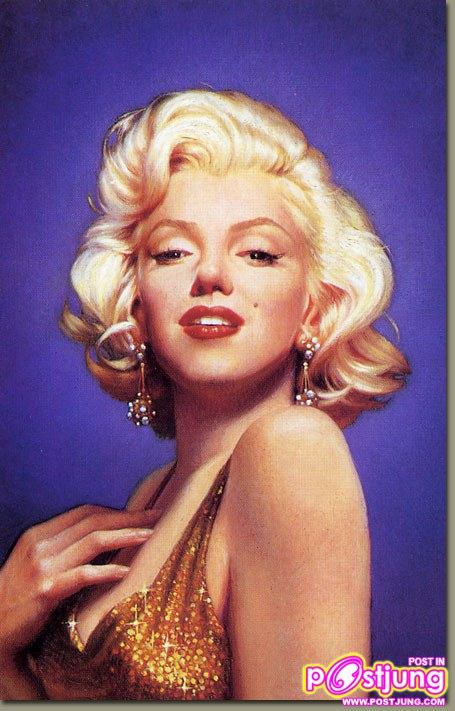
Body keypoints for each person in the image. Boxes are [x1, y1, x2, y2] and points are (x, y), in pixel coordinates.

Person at [0, 89, 410, 701]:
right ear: (136, 303)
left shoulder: (293, 453)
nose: (211, 275)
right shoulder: (155, 493)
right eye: (172, 252)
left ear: (315, 309)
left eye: (258, 253)